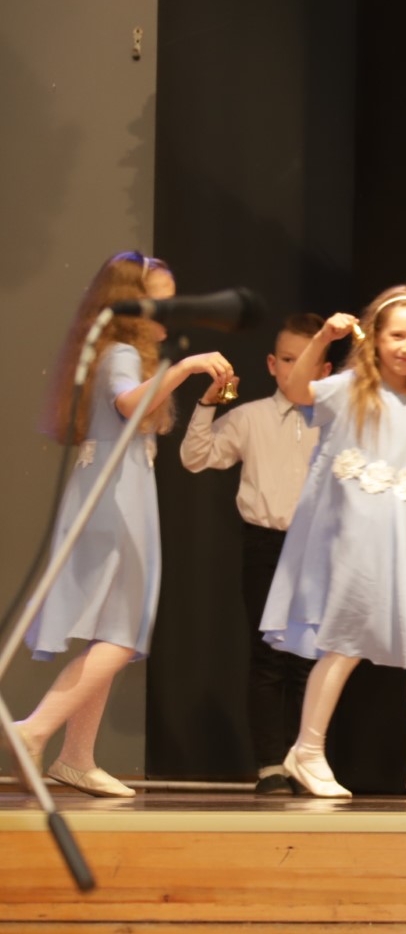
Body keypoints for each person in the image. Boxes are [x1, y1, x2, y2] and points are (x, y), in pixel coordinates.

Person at [18, 251, 230, 796]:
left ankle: (76, 756)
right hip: (114, 500)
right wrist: (183, 368)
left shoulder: (126, 354)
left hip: (118, 494)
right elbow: (127, 403)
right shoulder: (120, 352)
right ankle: (33, 730)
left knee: (112, 630)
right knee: (121, 633)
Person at [262, 287, 406, 799]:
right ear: (374, 338)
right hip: (355, 538)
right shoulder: (348, 389)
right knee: (344, 641)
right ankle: (307, 750)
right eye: (398, 336)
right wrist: (323, 339)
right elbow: (299, 389)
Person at [179, 312, 329, 795]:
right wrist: (207, 402)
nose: (294, 369)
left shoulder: (337, 417)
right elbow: (196, 457)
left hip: (321, 546)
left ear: (325, 368)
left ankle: (307, 760)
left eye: (306, 360)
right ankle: (270, 765)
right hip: (267, 543)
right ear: (271, 363)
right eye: (287, 359)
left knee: (313, 657)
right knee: (269, 657)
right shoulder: (251, 417)